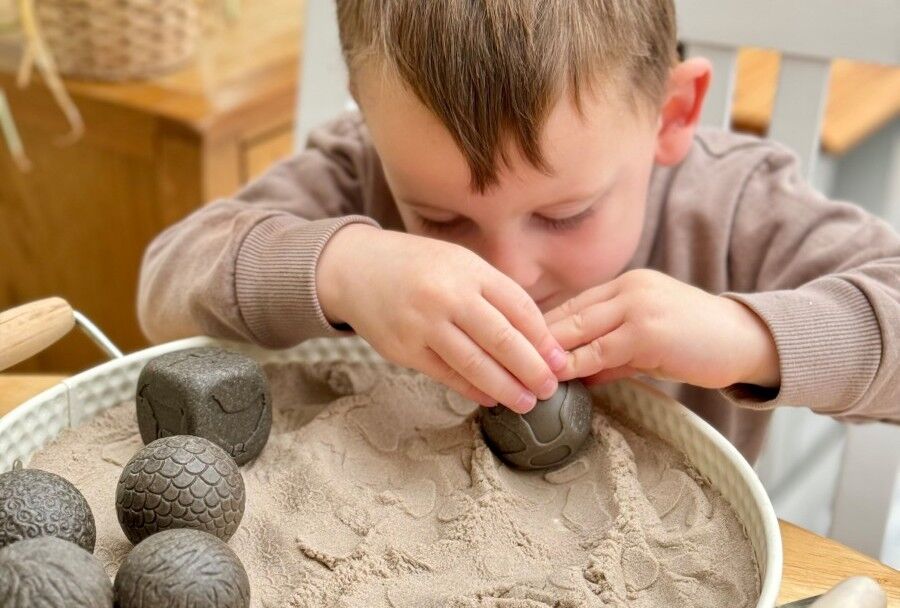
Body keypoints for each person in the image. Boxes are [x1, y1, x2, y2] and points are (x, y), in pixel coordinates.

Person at [137, 0, 900, 463]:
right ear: (369, 123)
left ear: (671, 116)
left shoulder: (733, 208)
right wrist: (344, 265)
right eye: (440, 218)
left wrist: (745, 336)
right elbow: (165, 287)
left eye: (565, 214)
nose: (509, 270)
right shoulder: (356, 176)